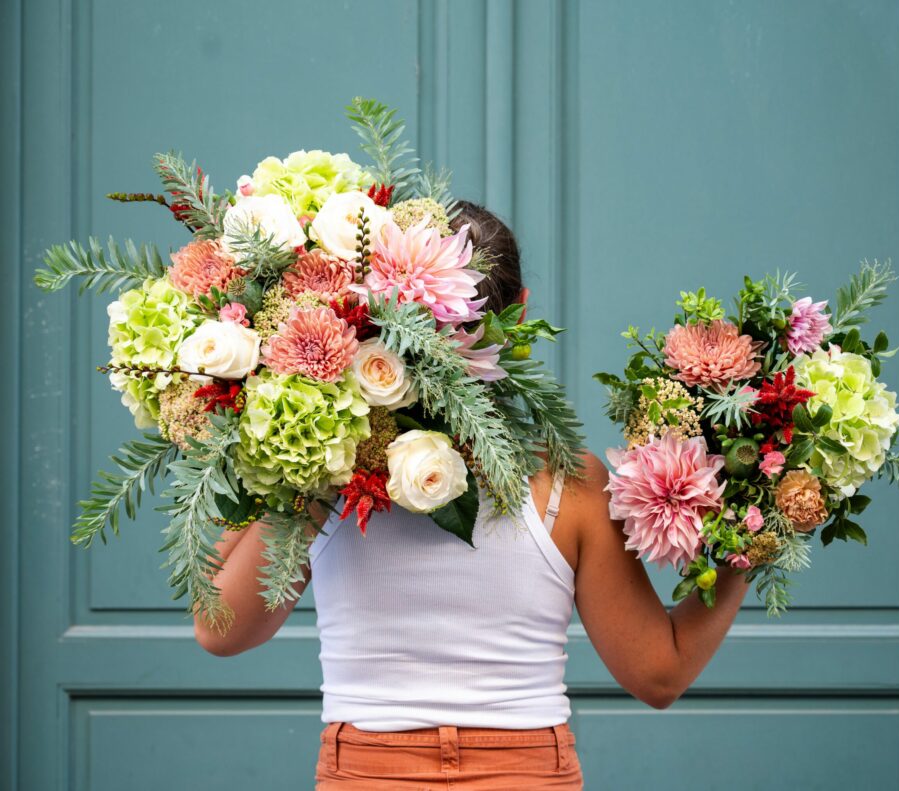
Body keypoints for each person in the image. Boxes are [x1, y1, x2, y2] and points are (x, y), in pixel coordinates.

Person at [194, 201, 751, 789]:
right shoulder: (572, 484)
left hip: (367, 772)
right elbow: (658, 675)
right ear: (522, 313)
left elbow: (220, 629)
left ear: (376, 307)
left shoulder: (321, 470)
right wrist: (752, 544)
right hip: (528, 771)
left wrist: (264, 419)